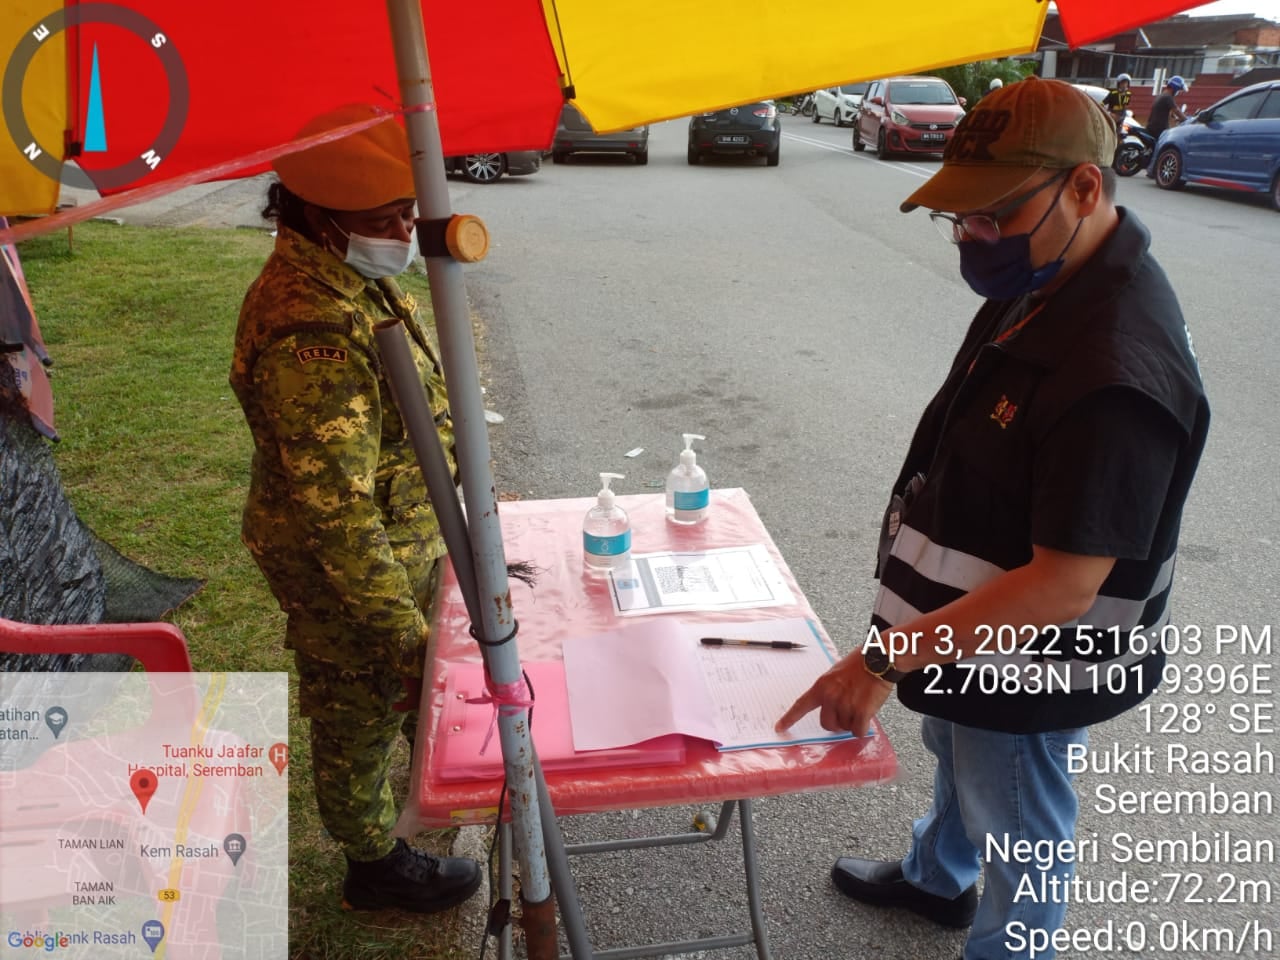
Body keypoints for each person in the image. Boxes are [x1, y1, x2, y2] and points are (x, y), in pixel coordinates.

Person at [777, 76, 1209, 960]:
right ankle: (939, 877)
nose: (972, 239)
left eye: (993, 216)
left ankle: (1011, 947)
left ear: (1083, 187)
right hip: (974, 628)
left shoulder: (1115, 366)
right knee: (957, 743)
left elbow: (1061, 588)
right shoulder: (1057, 274)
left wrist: (884, 658)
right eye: (959, 218)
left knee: (1017, 809)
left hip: (1033, 657)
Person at [230, 103, 482, 914]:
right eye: (383, 220)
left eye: (407, 212)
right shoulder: (311, 326)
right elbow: (335, 515)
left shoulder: (346, 277)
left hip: (401, 542)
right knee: (358, 709)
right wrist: (403, 639)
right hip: (351, 574)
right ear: (314, 215)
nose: (402, 232)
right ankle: (373, 865)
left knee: (400, 697)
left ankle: (420, 796)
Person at [1145, 75, 1189, 175]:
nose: (1179, 92)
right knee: (1163, 147)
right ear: (1175, 88)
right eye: (1179, 89)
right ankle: (1151, 170)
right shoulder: (1168, 97)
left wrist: (1175, 118)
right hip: (1158, 127)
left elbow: (1171, 112)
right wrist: (1185, 120)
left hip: (1152, 125)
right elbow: (1176, 110)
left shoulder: (1163, 95)